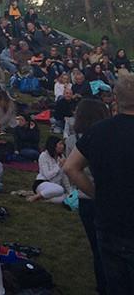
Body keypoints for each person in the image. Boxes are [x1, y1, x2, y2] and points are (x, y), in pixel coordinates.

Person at [65, 74, 134, 295]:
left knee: (116, 284)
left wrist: (96, 193)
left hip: (110, 220)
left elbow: (70, 167)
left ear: (115, 98)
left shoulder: (99, 130)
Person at [65, 98, 111, 295]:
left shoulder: (71, 140)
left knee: (97, 246)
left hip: (85, 197)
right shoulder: (105, 136)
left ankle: (102, 285)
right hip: (103, 194)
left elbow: (70, 169)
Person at [28, 136, 71, 204]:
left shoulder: (62, 157)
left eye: (62, 144)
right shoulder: (44, 156)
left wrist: (70, 192)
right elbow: (48, 175)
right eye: (60, 144)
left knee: (67, 196)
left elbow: (64, 176)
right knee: (60, 190)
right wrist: (59, 165)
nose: (62, 146)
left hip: (56, 186)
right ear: (53, 145)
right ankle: (37, 196)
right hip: (43, 183)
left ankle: (46, 200)